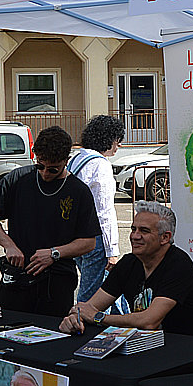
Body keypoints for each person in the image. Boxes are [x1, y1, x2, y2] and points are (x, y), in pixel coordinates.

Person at [0, 126, 101, 316]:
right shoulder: (18, 178)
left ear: (66, 161)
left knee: (52, 330)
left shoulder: (79, 191)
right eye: (40, 166)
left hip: (56, 281)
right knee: (6, 326)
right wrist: (9, 245)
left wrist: (54, 253)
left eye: (53, 169)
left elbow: (88, 242)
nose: (45, 173)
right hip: (17, 276)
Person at [60, 201, 193, 339]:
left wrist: (98, 317)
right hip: (148, 346)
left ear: (165, 238)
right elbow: (90, 307)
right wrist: (75, 317)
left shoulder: (179, 264)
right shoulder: (129, 262)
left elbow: (149, 321)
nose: (135, 236)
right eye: (133, 229)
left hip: (191, 348)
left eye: (144, 231)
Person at [68, 115, 125, 302]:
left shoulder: (76, 159)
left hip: (75, 235)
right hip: (95, 238)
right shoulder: (101, 165)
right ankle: (80, 318)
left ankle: (121, 319)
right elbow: (104, 211)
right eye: (117, 140)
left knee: (107, 290)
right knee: (92, 296)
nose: (119, 145)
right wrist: (112, 251)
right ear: (108, 139)